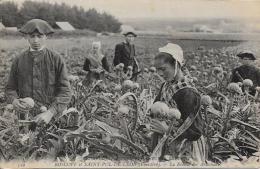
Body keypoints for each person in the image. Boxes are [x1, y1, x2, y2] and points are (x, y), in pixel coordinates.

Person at [5, 19, 72, 124]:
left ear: (46, 36)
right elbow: (10, 88)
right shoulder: (18, 60)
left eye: (39, 36)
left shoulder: (56, 59)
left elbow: (65, 91)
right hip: (24, 118)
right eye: (32, 36)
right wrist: (14, 101)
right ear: (26, 37)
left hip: (51, 119)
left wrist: (50, 112)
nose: (35, 40)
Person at [151, 43, 205, 164]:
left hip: (185, 149)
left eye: (163, 69)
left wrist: (167, 130)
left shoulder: (188, 92)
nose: (159, 74)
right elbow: (155, 108)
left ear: (176, 64)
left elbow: (195, 132)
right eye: (157, 69)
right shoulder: (166, 85)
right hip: (166, 143)